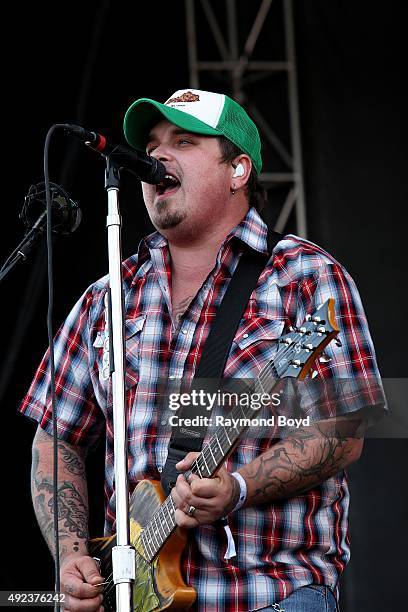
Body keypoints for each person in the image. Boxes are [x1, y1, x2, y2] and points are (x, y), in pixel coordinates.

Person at [20, 88, 385, 612]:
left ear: (238, 170)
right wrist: (72, 555)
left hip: (267, 594)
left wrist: (238, 486)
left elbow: (343, 431)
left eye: (183, 141)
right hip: (135, 595)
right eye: (151, 143)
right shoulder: (107, 297)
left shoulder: (305, 277)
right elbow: (55, 440)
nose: (156, 156)